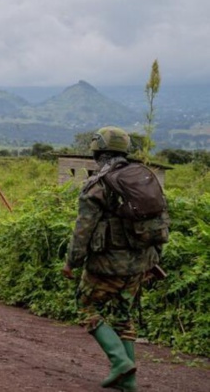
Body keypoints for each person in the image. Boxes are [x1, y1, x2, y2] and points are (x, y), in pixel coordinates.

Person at [62, 126, 164, 392]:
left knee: (85, 306)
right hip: (140, 264)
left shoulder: (97, 186)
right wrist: (153, 261)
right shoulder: (143, 179)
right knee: (122, 315)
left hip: (106, 265)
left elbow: (82, 231)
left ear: (97, 152)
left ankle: (119, 361)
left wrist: (71, 262)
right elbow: (159, 224)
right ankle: (129, 382)